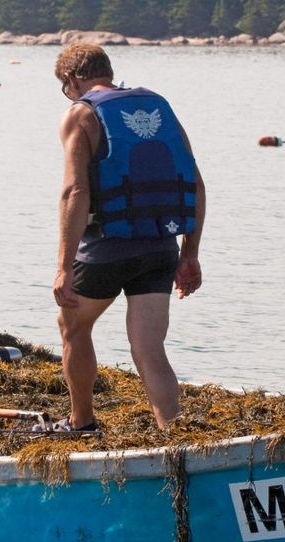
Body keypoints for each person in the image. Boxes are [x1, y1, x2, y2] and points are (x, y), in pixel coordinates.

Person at [49, 42, 205, 432]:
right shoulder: (157, 104)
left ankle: (81, 421)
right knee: (149, 348)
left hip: (106, 249)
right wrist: (191, 253)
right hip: (160, 247)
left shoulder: (80, 114)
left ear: (72, 80)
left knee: (72, 326)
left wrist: (63, 268)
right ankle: (175, 435)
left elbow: (75, 192)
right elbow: (194, 181)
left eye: (64, 88)